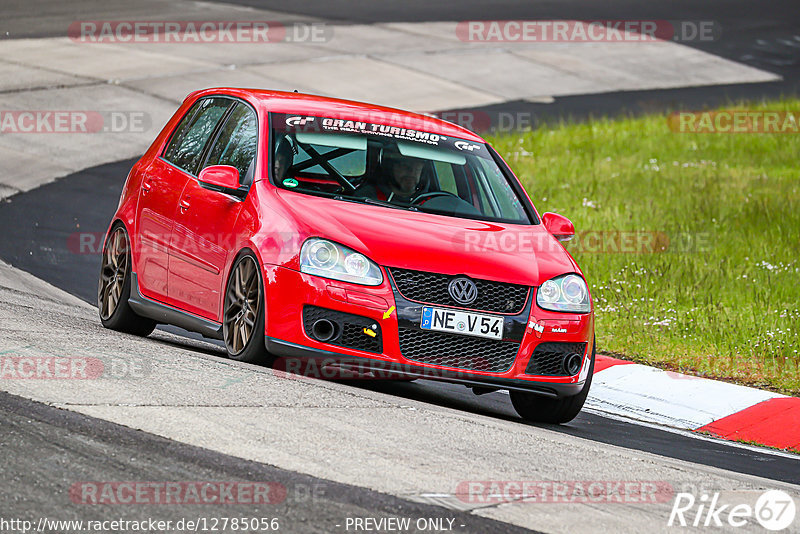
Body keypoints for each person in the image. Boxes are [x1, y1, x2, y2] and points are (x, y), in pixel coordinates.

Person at [356, 145, 426, 203]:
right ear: (389, 168)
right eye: (404, 165)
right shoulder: (367, 198)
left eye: (417, 167)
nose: (411, 171)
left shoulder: (430, 202)